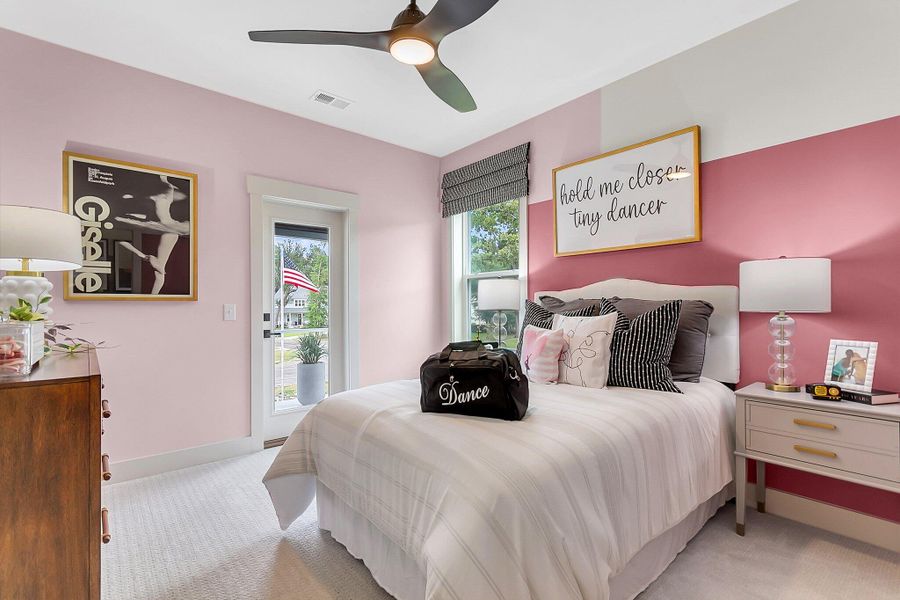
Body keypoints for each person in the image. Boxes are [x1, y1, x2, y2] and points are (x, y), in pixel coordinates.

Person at [116, 176, 190, 295]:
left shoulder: (158, 198)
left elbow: (165, 185)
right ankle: (153, 296)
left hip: (168, 229)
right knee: (159, 272)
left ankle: (153, 293)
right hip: (168, 229)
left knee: (160, 271)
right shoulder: (158, 198)